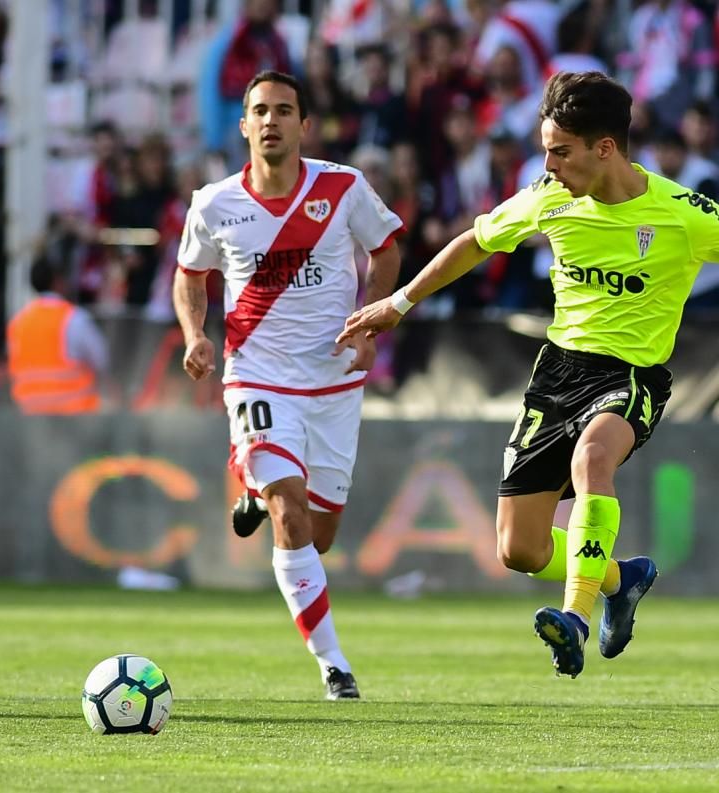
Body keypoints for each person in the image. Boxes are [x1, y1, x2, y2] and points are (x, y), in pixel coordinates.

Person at [340, 71, 719, 678]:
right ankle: (620, 578)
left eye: (560, 151)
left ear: (605, 148)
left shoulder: (683, 213)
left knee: (591, 460)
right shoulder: (550, 198)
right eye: (545, 148)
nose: (548, 164)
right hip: (557, 374)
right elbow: (475, 242)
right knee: (519, 550)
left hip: (631, 374)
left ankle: (574, 617)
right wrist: (400, 302)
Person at [173, 71, 404, 701]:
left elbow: (387, 249)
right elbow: (190, 276)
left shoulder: (343, 187)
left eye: (284, 110)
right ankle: (333, 664)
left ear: (306, 125)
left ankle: (256, 489)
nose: (270, 121)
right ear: (243, 125)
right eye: (259, 111)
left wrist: (370, 318)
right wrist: (196, 334)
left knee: (321, 534)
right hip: (257, 377)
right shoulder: (214, 203)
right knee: (290, 511)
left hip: (333, 382)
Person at [7, 255, 108, 414]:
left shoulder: (18, 322)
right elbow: (101, 359)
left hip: (29, 418)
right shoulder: (74, 318)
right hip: (74, 416)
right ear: (57, 281)